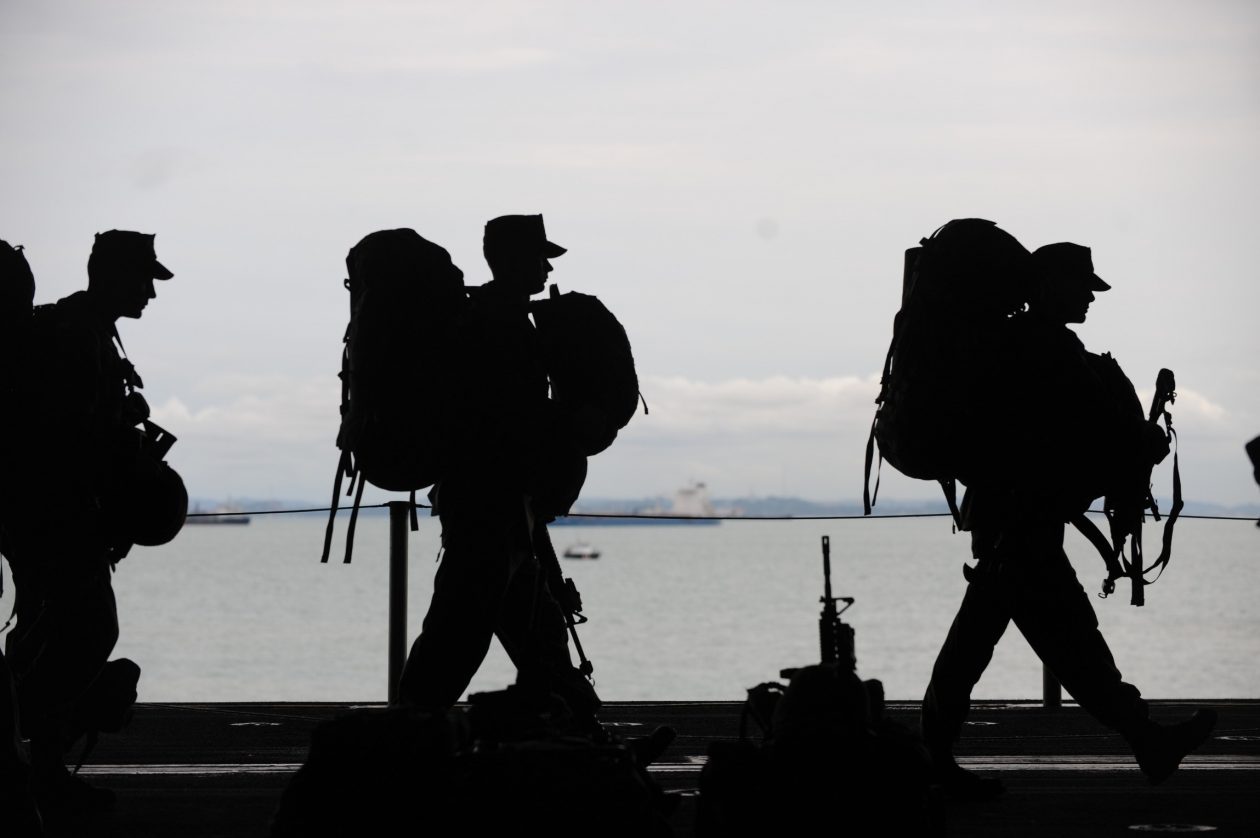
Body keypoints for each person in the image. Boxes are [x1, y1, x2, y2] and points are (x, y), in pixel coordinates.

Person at [919, 240, 1217, 799]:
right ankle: (1145, 738)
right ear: (1049, 286)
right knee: (1070, 644)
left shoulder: (1019, 344)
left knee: (992, 643)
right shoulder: (1047, 347)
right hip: (1022, 522)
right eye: (1082, 287)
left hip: (1011, 518)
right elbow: (1095, 429)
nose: (1089, 297)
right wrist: (1148, 439)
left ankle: (931, 754)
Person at [396, 214, 602, 732]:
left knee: (539, 634)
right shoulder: (496, 325)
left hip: (504, 508)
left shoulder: (497, 319)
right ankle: (406, 740)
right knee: (459, 634)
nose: (546, 266)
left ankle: (586, 735)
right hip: (491, 505)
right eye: (539, 256)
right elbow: (508, 420)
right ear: (512, 260)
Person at [1, 230, 172, 813]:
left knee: (46, 636)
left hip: (47, 516)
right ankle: (40, 768)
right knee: (88, 632)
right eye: (144, 277)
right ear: (111, 275)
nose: (151, 290)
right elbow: (70, 441)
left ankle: (35, 770)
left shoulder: (89, 332)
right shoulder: (77, 337)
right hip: (56, 517)